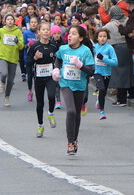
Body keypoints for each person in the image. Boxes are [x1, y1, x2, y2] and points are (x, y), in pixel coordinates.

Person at [52, 25, 95, 155]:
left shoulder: (85, 51)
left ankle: (75, 140)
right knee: (70, 111)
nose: (70, 36)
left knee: (76, 113)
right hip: (65, 83)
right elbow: (58, 59)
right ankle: (70, 142)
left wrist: (80, 65)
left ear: (81, 38)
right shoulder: (63, 48)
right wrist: (56, 69)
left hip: (80, 85)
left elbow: (91, 71)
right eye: (69, 33)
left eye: (74, 34)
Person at [28, 21, 59, 137]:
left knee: (51, 96)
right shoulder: (34, 46)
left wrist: (57, 68)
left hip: (50, 77)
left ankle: (50, 113)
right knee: (40, 103)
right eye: (43, 29)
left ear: (50, 32)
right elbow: (28, 63)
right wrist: (35, 58)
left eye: (48, 29)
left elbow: (58, 59)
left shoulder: (54, 46)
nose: (46, 31)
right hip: (39, 78)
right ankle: (40, 125)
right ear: (39, 32)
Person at [0, 13, 24, 107]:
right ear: (5, 21)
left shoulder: (18, 32)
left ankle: (7, 97)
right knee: (4, 73)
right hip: (2, 55)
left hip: (13, 57)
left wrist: (18, 42)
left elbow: (21, 46)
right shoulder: (1, 31)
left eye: (11, 19)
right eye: (8, 19)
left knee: (11, 80)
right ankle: (2, 82)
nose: (10, 21)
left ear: (14, 21)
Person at [93, 28, 118, 120]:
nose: (102, 38)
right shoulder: (94, 48)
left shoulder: (109, 48)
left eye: (104, 36)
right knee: (102, 88)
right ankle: (102, 112)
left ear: (107, 37)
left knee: (103, 93)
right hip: (97, 72)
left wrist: (103, 58)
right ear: (97, 38)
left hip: (107, 73)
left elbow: (115, 62)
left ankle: (99, 100)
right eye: (100, 36)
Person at [23, 16, 39, 101]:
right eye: (32, 22)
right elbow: (23, 46)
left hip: (38, 58)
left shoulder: (39, 33)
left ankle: (37, 90)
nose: (33, 24)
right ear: (29, 24)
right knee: (29, 76)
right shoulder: (26, 33)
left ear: (37, 24)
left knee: (37, 75)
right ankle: (30, 91)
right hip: (28, 57)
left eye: (35, 22)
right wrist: (28, 44)